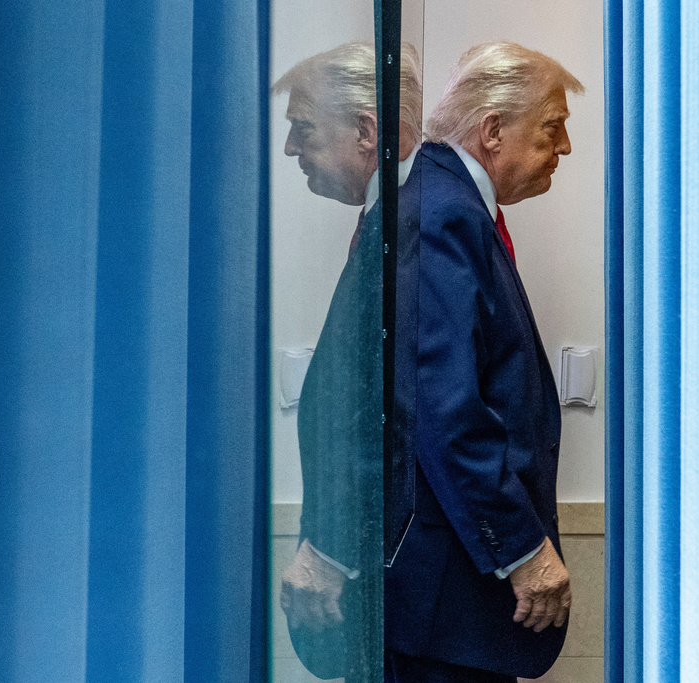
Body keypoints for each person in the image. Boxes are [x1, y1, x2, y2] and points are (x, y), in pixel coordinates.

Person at [384, 42, 584, 682]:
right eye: (554, 127)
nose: (567, 148)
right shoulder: (443, 215)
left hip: (456, 604)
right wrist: (523, 551)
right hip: (452, 608)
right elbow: (444, 411)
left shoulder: (452, 207)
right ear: (493, 130)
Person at [272, 41, 422, 682]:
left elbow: (396, 411)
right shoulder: (390, 220)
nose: (288, 150)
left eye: (302, 129)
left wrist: (330, 548)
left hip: (392, 577)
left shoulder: (416, 225)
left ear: (366, 131)